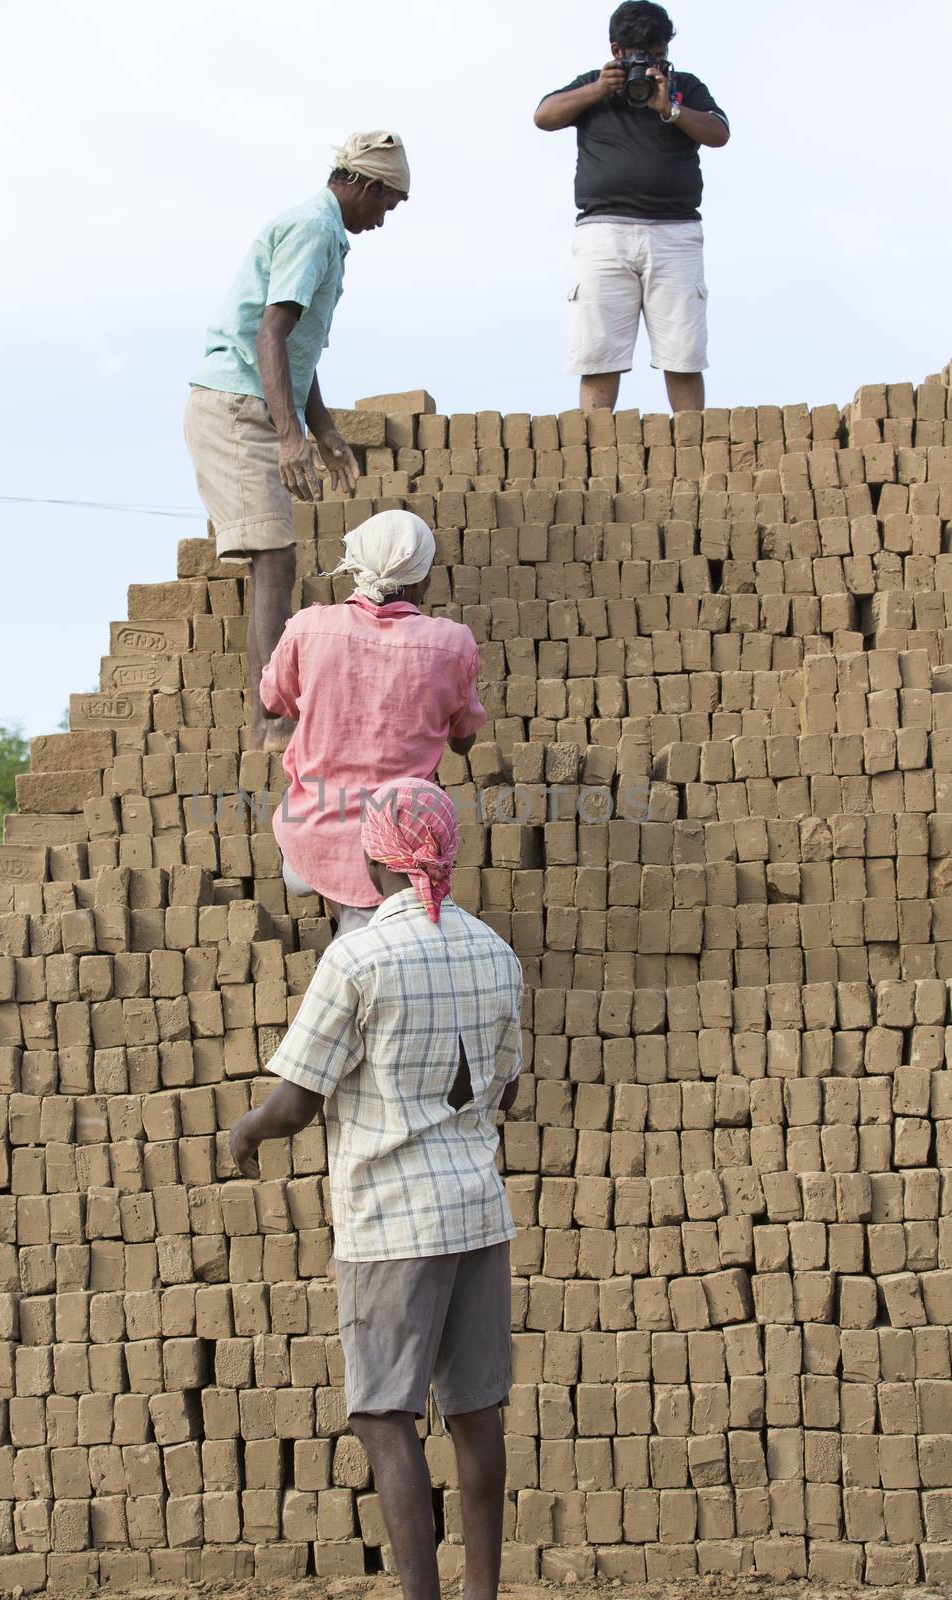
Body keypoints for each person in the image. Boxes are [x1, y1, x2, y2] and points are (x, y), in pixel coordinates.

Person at [228, 778, 524, 1600]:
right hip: (476, 1209)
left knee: (384, 1415)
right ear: (447, 855)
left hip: (391, 1219)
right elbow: (509, 1089)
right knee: (475, 1409)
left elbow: (294, 1103)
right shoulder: (495, 952)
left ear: (371, 858)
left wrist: (246, 1132)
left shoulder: (356, 957)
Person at [184, 132, 410, 750]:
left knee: (275, 557)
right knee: (273, 558)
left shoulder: (325, 231)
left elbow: (295, 349)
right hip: (237, 407)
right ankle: (270, 723)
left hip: (253, 402)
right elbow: (270, 335)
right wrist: (290, 437)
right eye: (386, 204)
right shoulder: (315, 227)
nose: (383, 219)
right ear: (364, 186)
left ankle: (275, 716)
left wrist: (324, 427)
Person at [259, 509, 486, 934]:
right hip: (396, 843)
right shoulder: (452, 644)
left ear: (358, 567)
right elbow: (463, 740)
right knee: (372, 947)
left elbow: (274, 701)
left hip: (310, 831)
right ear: (423, 580)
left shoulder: (308, 628)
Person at [534, 1, 729, 415]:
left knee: (684, 355)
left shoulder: (683, 86)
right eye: (638, 55)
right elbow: (543, 116)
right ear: (615, 50)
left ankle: (693, 454)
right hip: (603, 234)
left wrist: (670, 108)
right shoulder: (593, 85)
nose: (649, 64)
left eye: (657, 54)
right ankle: (594, 457)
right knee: (597, 354)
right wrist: (599, 89)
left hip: (674, 234)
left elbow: (719, 133)